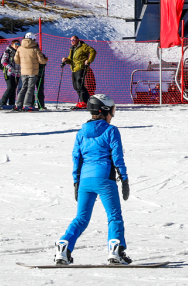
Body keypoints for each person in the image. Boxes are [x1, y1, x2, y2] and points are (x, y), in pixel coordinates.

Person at [54, 94, 131, 266]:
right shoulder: (111, 131)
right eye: (112, 111)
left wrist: (76, 182)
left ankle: (64, 247)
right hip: (105, 179)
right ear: (105, 111)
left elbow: (77, 159)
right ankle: (116, 252)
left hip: (85, 181)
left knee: (81, 218)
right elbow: (117, 158)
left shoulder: (81, 133)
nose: (112, 115)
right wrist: (124, 179)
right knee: (114, 217)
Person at [16, 32, 48, 111]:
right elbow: (41, 61)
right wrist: (45, 60)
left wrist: (23, 64)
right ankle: (27, 104)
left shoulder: (20, 48)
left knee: (23, 88)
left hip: (23, 72)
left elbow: (16, 60)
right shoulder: (35, 48)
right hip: (33, 72)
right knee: (30, 89)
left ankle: (19, 105)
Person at [62, 36, 97, 109]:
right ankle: (82, 102)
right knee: (76, 86)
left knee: (80, 85)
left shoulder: (83, 46)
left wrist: (89, 61)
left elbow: (93, 51)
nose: (72, 41)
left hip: (81, 68)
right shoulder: (72, 48)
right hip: (74, 69)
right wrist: (66, 60)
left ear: (77, 40)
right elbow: (70, 60)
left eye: (73, 40)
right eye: (71, 40)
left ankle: (85, 102)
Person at [0, 40, 21, 108]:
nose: (17, 45)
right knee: (10, 87)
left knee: (13, 88)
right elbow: (3, 61)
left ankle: (12, 103)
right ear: (12, 45)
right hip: (9, 73)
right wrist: (10, 67)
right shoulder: (8, 51)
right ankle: (2, 103)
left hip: (17, 73)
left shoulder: (19, 52)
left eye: (18, 44)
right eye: (16, 44)